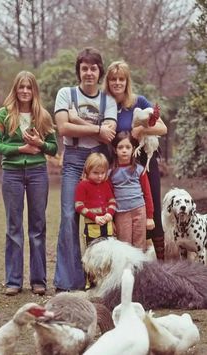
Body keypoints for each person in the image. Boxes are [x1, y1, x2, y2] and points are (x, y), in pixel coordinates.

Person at [0, 71, 58, 296]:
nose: (25, 91)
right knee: (13, 227)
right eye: (21, 87)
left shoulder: (42, 116)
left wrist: (40, 143)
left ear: (34, 90)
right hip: (12, 174)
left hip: (38, 172)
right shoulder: (4, 115)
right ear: (15, 89)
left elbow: (54, 148)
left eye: (29, 87)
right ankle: (13, 281)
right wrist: (20, 149)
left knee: (38, 227)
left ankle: (38, 280)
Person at [53, 47, 117, 292]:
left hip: (99, 161)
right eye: (84, 68)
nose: (89, 73)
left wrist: (77, 120)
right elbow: (63, 128)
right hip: (73, 159)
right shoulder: (65, 94)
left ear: (99, 71)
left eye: (93, 68)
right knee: (69, 216)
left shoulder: (107, 100)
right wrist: (96, 129)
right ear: (78, 71)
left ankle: (101, 277)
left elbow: (109, 132)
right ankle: (68, 281)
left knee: (103, 217)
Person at [103, 60, 167, 259]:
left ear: (127, 81)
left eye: (121, 79)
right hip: (120, 165)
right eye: (113, 79)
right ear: (108, 81)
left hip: (144, 162)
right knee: (122, 210)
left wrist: (142, 128)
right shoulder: (105, 105)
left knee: (152, 209)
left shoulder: (139, 102)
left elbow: (163, 128)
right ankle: (125, 261)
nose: (117, 83)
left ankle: (161, 263)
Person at [110, 131, 154, 250]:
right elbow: (109, 197)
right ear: (115, 150)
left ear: (133, 149)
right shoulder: (111, 172)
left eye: (128, 147)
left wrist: (150, 217)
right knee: (124, 246)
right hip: (121, 213)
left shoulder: (140, 170)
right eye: (120, 147)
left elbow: (148, 194)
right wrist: (111, 220)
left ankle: (140, 269)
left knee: (140, 245)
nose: (124, 150)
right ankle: (126, 269)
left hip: (139, 210)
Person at [75, 152, 116, 246]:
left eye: (103, 173)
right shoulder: (82, 186)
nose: (100, 176)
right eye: (95, 173)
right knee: (93, 252)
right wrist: (95, 217)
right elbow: (79, 206)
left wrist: (110, 214)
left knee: (108, 251)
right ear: (87, 171)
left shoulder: (105, 184)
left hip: (107, 224)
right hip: (92, 226)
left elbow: (112, 201)